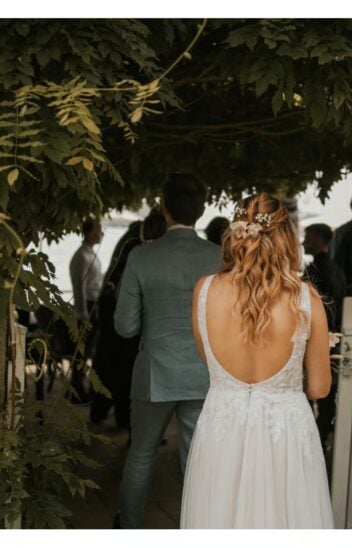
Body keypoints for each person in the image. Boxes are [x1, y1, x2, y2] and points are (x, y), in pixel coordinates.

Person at [181, 193, 334, 528]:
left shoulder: (204, 291)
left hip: (223, 426)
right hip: (286, 433)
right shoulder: (305, 299)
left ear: (236, 233)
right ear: (286, 238)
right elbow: (320, 388)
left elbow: (210, 360)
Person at [113, 174, 221, 529]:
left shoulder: (142, 257)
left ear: (164, 209)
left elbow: (124, 326)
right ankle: (195, 529)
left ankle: (129, 527)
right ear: (202, 211)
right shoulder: (219, 258)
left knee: (141, 455)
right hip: (203, 373)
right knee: (196, 460)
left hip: (155, 373)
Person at [90, 213, 167, 428]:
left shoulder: (130, 239)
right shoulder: (136, 245)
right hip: (117, 310)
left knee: (109, 364)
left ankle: (104, 412)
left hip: (110, 308)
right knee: (123, 368)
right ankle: (125, 419)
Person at [302, 223, 346, 464]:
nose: (303, 241)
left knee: (311, 390)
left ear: (319, 240)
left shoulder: (317, 270)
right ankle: (321, 437)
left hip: (317, 337)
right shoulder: (337, 269)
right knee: (327, 394)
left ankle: (314, 438)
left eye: (307, 237)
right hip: (333, 335)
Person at [68, 217, 103, 403]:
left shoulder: (91, 254)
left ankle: (81, 386)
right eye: (98, 230)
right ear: (90, 232)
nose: (101, 234)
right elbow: (79, 286)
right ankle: (76, 388)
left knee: (89, 350)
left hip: (94, 304)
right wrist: (82, 313)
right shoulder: (81, 256)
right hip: (87, 307)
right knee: (82, 351)